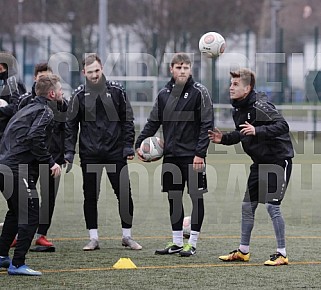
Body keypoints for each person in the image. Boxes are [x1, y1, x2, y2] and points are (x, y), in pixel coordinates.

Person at [208, 68, 294, 266]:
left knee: (272, 206)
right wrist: (224, 139)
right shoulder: (238, 108)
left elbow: (283, 126)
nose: (231, 87)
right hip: (259, 163)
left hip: (278, 160)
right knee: (247, 206)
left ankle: (282, 253)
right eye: (231, 84)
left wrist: (258, 130)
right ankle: (243, 251)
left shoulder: (260, 105)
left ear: (247, 88)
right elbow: (242, 133)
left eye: (236, 84)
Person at [135, 53, 214, 257]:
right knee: (173, 198)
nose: (182, 71)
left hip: (193, 157)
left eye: (186, 68)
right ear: (171, 69)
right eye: (178, 67)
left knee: (196, 198)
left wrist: (200, 154)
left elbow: (207, 124)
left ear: (190, 70)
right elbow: (153, 122)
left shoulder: (200, 92)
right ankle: (178, 242)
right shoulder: (163, 94)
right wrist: (138, 145)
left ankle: (192, 243)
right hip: (171, 156)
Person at [64, 53, 142, 251]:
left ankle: (127, 236)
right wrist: (69, 152)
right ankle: (93, 238)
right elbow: (71, 125)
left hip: (116, 152)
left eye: (97, 70)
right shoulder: (78, 95)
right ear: (84, 73)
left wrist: (127, 146)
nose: (94, 75)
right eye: (90, 72)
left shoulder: (116, 91)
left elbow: (127, 120)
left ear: (102, 69)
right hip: (90, 153)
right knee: (90, 196)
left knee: (124, 194)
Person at [0, 74, 63, 276]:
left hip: (4, 165)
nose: (62, 93)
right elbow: (35, 136)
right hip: (17, 169)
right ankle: (17, 264)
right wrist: (50, 162)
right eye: (61, 90)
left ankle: (2, 256)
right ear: (52, 94)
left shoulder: (25, 109)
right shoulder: (46, 111)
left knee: (16, 211)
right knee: (32, 214)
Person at [9, 63, 68, 251]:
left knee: (47, 197)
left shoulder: (61, 104)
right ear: (36, 79)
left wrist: (64, 154)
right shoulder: (28, 102)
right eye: (41, 77)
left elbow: (65, 129)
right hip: (30, 159)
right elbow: (27, 133)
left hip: (52, 157)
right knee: (27, 202)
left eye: (47, 77)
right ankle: (18, 242)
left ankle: (41, 234)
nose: (44, 79)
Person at [0, 51, 26, 140]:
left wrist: (1, 110)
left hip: (10, 134)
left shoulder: (12, 81)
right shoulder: (5, 81)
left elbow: (18, 106)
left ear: (1, 66)